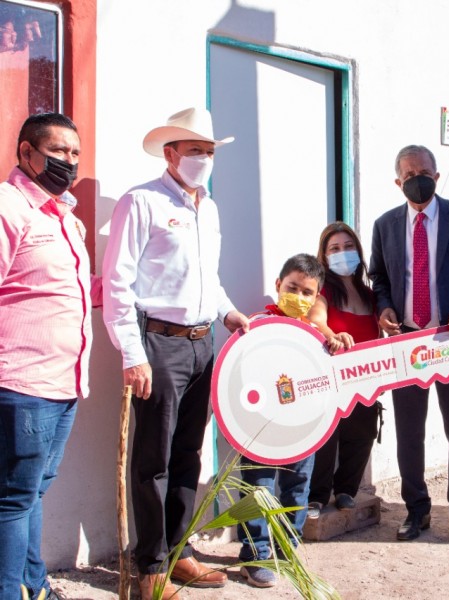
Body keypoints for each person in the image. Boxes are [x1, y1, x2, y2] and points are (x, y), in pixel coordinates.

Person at [103, 107, 250, 599]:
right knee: (153, 460)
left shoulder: (208, 208)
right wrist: (132, 353)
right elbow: (120, 285)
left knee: (188, 454)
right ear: (170, 154)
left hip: (204, 342)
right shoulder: (140, 203)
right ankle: (150, 568)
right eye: (195, 151)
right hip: (159, 344)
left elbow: (209, 278)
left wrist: (228, 313)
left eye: (209, 152)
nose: (204, 160)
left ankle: (179, 551)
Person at [369, 144, 449, 547]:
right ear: (398, 182)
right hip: (407, 340)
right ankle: (416, 510)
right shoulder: (385, 225)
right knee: (409, 432)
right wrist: (386, 308)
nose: (418, 179)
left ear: (437, 175)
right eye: (409, 174)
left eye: (424, 172)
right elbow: (379, 279)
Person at [0, 112, 93, 600]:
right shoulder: (8, 206)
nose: (69, 162)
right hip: (22, 383)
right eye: (58, 151)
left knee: (31, 493)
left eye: (75, 153)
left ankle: (34, 585)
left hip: (64, 384)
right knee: (13, 499)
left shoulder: (65, 217)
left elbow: (69, 290)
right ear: (26, 152)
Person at [237, 253, 326, 588]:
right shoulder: (256, 326)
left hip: (302, 428)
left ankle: (285, 550)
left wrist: (334, 342)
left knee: (297, 486)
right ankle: (255, 554)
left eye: (307, 292)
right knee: (258, 487)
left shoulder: (315, 335)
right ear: (278, 286)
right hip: (258, 428)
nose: (299, 297)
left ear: (316, 297)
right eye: (292, 288)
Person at [307, 222, 382, 516]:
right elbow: (316, 320)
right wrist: (332, 335)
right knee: (327, 438)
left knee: (363, 433)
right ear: (324, 257)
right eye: (335, 249)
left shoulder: (370, 295)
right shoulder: (324, 291)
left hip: (365, 380)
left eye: (348, 247)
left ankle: (347, 491)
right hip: (331, 380)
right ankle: (317, 495)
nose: (343, 253)